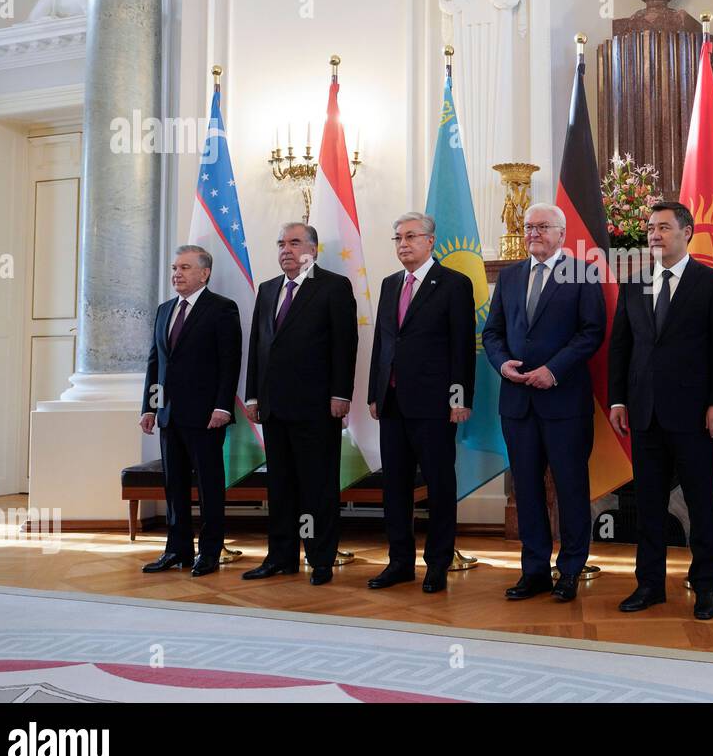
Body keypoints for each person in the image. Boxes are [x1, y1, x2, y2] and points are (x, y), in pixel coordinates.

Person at [607, 201, 713, 621]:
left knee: (700, 504)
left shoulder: (712, 284)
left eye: (663, 227)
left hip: (697, 414)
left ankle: (705, 587)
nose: (654, 234)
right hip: (644, 414)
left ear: (687, 232)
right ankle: (649, 585)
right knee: (647, 505)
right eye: (650, 227)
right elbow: (621, 349)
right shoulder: (633, 284)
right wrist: (617, 399)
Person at [482, 203, 605, 602]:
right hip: (517, 403)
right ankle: (533, 570)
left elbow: (592, 332)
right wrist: (502, 366)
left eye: (541, 227)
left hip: (563, 401)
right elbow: (492, 334)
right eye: (527, 226)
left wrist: (554, 370)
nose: (531, 232)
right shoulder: (511, 276)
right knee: (527, 491)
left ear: (561, 232)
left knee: (570, 489)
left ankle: (569, 569)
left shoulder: (583, 273)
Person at [242, 222, 357, 586]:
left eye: (294, 243)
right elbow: (258, 347)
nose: (286, 250)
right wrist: (252, 394)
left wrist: (342, 394)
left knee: (318, 487)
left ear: (313, 249)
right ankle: (281, 557)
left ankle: (321, 559)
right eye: (280, 243)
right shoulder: (268, 289)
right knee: (280, 486)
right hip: (274, 407)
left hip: (316, 407)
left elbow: (345, 344)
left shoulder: (334, 287)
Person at [367, 212, 475, 594]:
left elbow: (462, 347)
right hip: (392, 402)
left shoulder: (453, 284)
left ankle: (438, 563)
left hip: (435, 403)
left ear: (430, 241)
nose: (403, 244)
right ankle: (399, 562)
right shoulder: (389, 284)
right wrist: (373, 393)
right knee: (394, 487)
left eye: (411, 236)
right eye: (397, 237)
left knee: (439, 486)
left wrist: (459, 399)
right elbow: (383, 343)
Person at [139, 245, 241, 577]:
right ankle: (177, 550)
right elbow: (156, 363)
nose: (176, 274)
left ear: (204, 273)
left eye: (184, 268)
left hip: (207, 417)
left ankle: (210, 552)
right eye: (174, 268)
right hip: (169, 416)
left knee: (210, 487)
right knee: (175, 486)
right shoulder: (164, 309)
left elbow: (230, 363)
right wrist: (150, 408)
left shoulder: (222, 309)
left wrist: (223, 406)